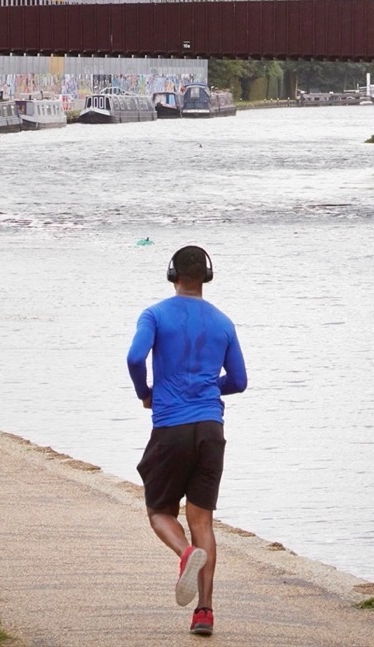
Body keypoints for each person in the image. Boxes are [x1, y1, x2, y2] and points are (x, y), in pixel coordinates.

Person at [127, 245, 248, 638]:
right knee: (203, 522)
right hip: (211, 430)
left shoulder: (156, 315)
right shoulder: (224, 322)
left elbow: (134, 357)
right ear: (206, 277)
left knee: (160, 511)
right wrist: (210, 387)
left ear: (172, 274)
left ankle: (185, 554)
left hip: (171, 428)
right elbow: (240, 382)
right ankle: (204, 613)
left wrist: (146, 391)